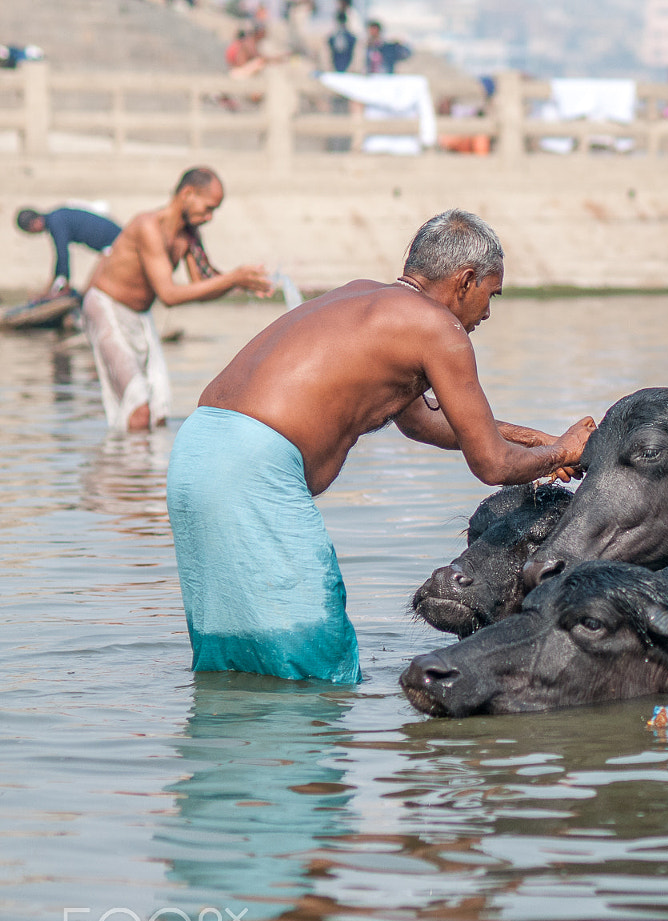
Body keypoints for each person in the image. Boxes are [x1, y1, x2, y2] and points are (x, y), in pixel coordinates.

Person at [165, 209, 595, 685]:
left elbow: (424, 422)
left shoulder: (362, 298)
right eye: (490, 295)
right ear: (465, 280)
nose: (487, 314)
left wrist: (543, 442)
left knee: (232, 655)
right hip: (253, 466)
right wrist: (562, 454)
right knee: (318, 656)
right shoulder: (438, 327)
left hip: (198, 449)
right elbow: (491, 463)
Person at [84, 167, 273, 432]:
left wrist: (242, 284)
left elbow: (202, 285)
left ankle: (151, 470)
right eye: (208, 208)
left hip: (140, 315)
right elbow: (169, 295)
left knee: (159, 413)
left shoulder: (189, 235)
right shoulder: (148, 226)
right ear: (187, 194)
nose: (209, 217)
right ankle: (126, 472)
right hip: (107, 308)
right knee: (139, 409)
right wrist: (232, 279)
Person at [15, 204, 122, 297]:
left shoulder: (56, 222)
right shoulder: (56, 218)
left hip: (113, 244)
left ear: (35, 223)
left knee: (89, 292)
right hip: (111, 243)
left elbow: (62, 256)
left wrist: (63, 284)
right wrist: (54, 283)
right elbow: (61, 258)